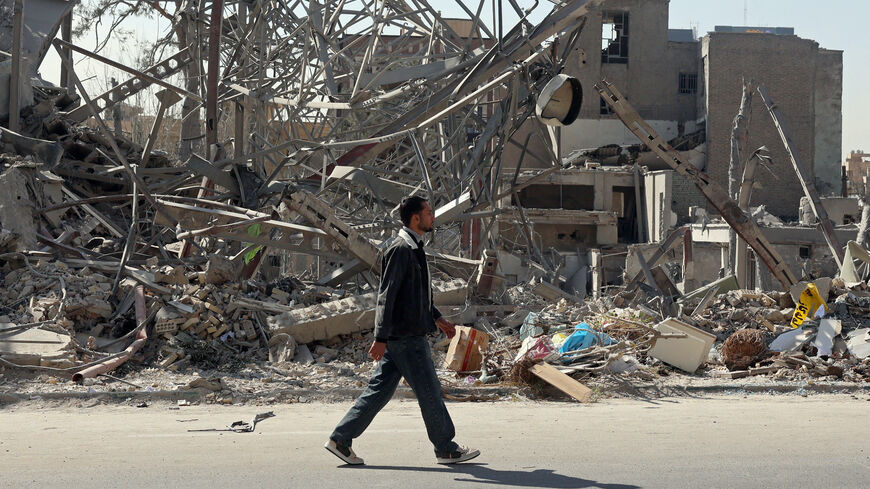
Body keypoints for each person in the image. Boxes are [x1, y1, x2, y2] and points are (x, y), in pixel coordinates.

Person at [325, 196, 480, 466]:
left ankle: (340, 439)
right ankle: (446, 448)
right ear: (415, 218)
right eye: (428, 212)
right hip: (406, 338)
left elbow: (416, 295)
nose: (433, 217)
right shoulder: (400, 250)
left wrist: (437, 318)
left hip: (404, 337)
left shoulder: (414, 247)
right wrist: (380, 337)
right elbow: (387, 297)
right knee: (430, 392)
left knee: (379, 392)